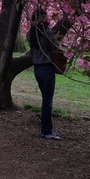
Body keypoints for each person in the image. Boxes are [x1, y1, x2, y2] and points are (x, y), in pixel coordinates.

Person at [28, 8, 62, 140]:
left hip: (37, 68)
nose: (48, 18)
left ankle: (46, 129)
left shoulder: (31, 33)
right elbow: (55, 47)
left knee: (45, 99)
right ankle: (46, 131)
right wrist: (56, 39)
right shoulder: (46, 32)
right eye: (45, 16)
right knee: (47, 100)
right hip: (46, 67)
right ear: (42, 17)